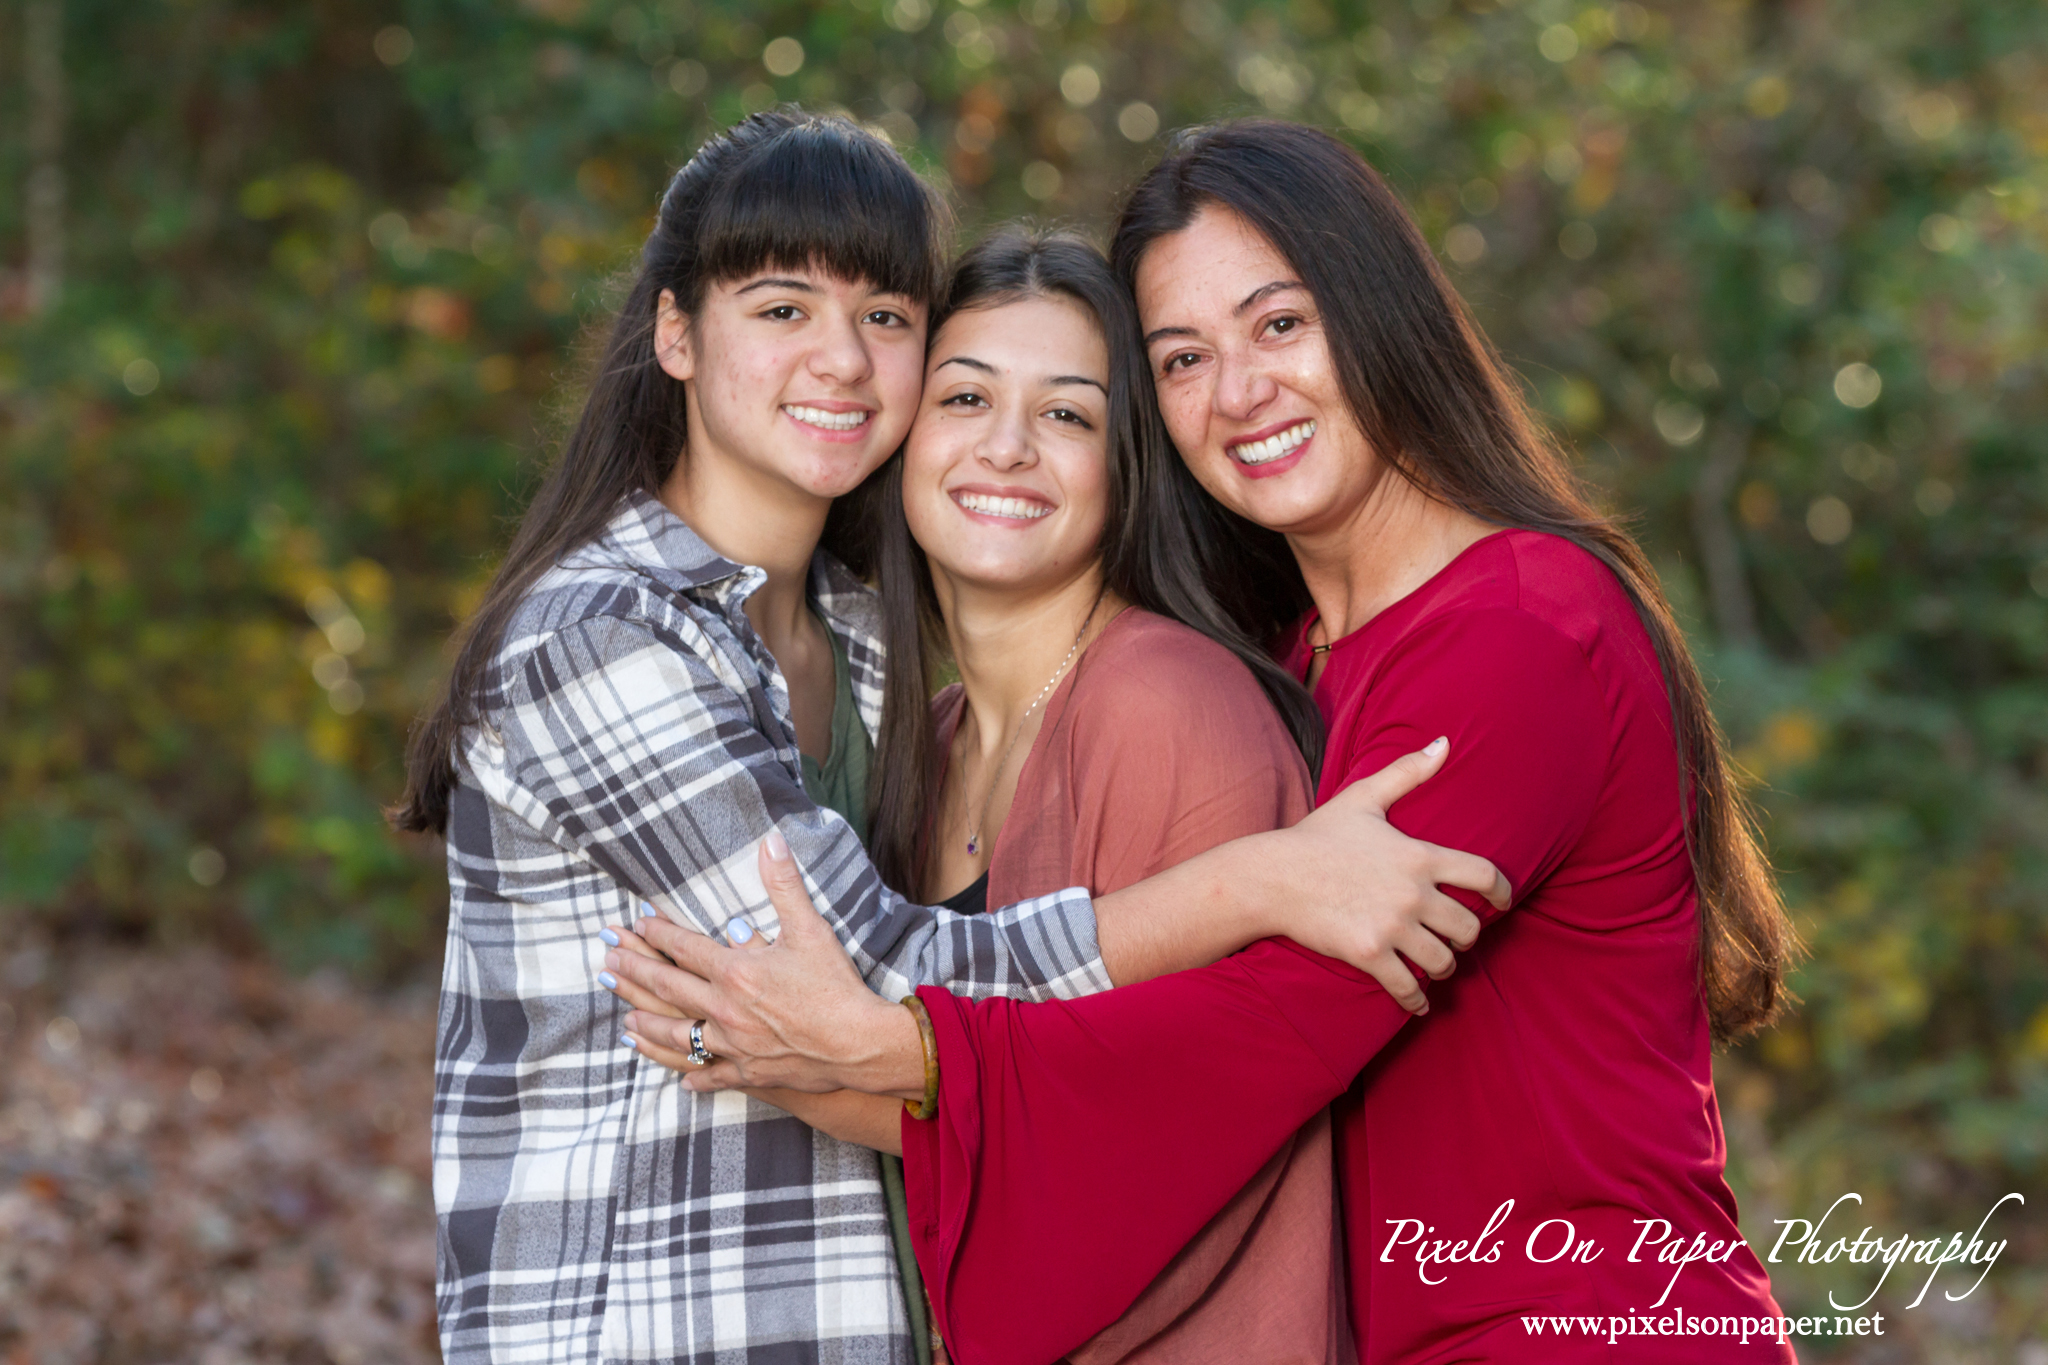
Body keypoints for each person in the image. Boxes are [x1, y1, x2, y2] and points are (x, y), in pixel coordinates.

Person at [601, 120, 1804, 1364]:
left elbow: (1269, 1029)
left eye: (1280, 325)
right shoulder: (1290, 653)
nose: (1237, 392)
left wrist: (885, 1050)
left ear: (1380, 314)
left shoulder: (1517, 631)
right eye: (1181, 358)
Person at [395, 110, 1504, 1364]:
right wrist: (1249, 884)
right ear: (673, 334)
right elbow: (880, 989)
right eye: (779, 310)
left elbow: (1121, 1114)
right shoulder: (607, 641)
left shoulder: (895, 664)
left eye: (884, 319)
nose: (842, 361)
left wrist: (815, 1056)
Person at [609, 228, 1352, 1363]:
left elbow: (1163, 1130)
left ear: (1127, 462)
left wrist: (791, 1058)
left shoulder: (1172, 705)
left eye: (1066, 415)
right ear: (904, 435)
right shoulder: (925, 745)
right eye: (963, 398)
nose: (1005, 449)